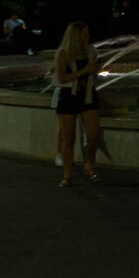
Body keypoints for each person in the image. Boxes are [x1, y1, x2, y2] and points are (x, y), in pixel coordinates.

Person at [51, 21, 102, 186]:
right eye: (85, 33)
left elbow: (93, 74)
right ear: (76, 36)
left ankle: (89, 164)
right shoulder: (63, 53)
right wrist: (84, 71)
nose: (88, 36)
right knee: (69, 138)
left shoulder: (92, 52)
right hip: (69, 97)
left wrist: (94, 71)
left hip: (87, 95)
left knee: (93, 135)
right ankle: (67, 176)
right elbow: (61, 77)